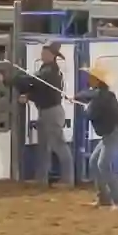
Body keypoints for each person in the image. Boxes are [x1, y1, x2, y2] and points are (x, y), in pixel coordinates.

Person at [13, 42, 74, 187]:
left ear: (52, 55)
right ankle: (42, 178)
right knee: (45, 147)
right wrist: (29, 95)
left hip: (50, 111)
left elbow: (35, 83)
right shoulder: (50, 71)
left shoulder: (48, 72)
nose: (42, 54)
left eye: (45, 52)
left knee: (57, 145)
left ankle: (66, 179)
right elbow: (41, 89)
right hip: (49, 110)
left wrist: (14, 80)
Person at [74, 62, 118, 209]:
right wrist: (77, 98)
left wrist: (84, 105)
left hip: (115, 133)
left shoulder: (101, 97)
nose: (88, 77)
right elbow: (88, 94)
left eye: (91, 76)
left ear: (98, 80)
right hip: (112, 133)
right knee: (94, 162)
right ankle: (103, 198)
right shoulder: (102, 94)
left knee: (102, 164)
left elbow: (91, 113)